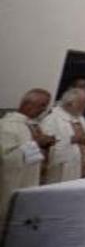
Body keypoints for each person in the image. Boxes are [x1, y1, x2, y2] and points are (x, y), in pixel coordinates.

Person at [1, 89, 55, 222]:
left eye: (46, 106)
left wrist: (44, 146)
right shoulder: (7, 125)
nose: (44, 110)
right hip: (12, 187)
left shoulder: (32, 126)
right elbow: (5, 159)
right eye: (42, 105)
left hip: (30, 181)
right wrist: (35, 144)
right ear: (27, 104)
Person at [40, 84, 85, 183]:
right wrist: (72, 139)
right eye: (83, 103)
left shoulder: (81, 118)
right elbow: (45, 146)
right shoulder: (52, 119)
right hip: (63, 172)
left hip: (81, 168)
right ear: (70, 103)